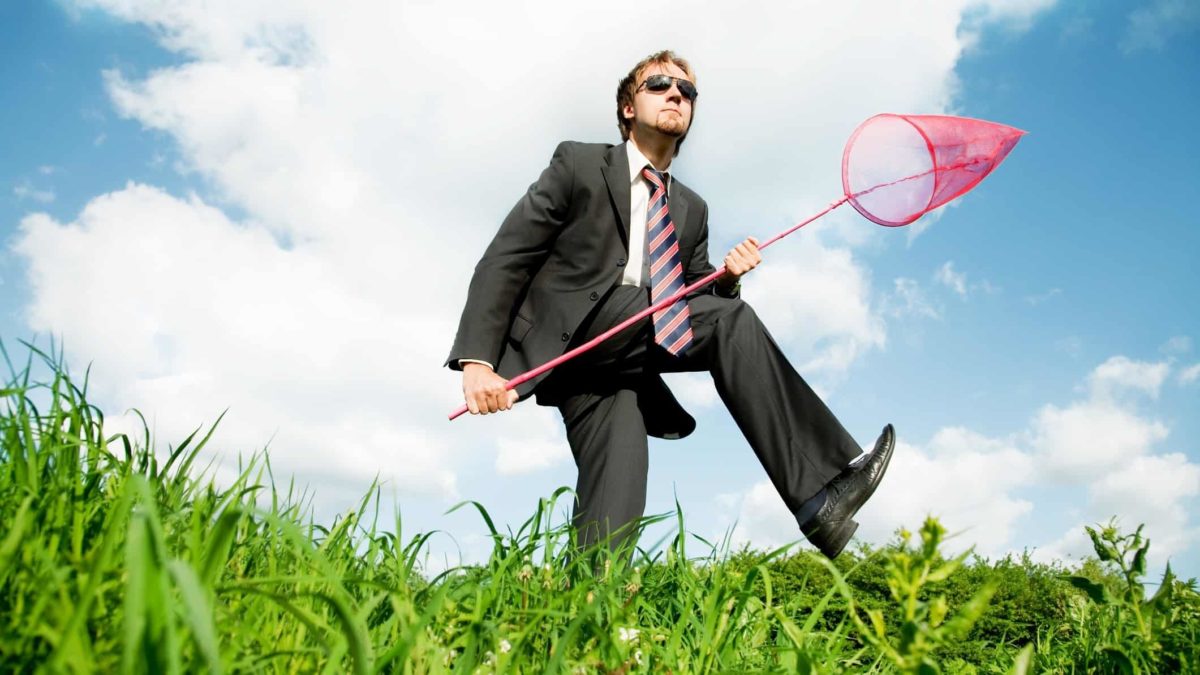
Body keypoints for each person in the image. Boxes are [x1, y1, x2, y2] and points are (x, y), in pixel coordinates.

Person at [446, 50, 894, 559]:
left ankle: (589, 618)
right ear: (628, 108)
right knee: (730, 322)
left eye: (687, 90)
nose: (676, 93)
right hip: (573, 339)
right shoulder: (579, 164)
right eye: (658, 84)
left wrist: (725, 282)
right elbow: (508, 256)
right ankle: (821, 491)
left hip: (625, 363)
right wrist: (478, 361)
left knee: (617, 494)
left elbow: (694, 298)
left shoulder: (693, 209)